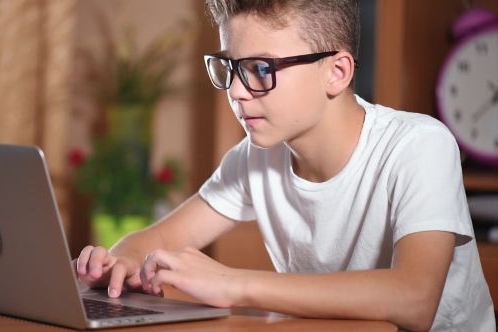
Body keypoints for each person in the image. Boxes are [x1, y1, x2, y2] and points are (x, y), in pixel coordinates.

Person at [73, 1, 495, 331]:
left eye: (260, 68)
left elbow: (414, 301)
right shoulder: (254, 158)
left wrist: (233, 284)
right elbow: (160, 236)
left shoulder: (419, 145)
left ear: (337, 72)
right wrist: (119, 259)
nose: (237, 91)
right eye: (231, 67)